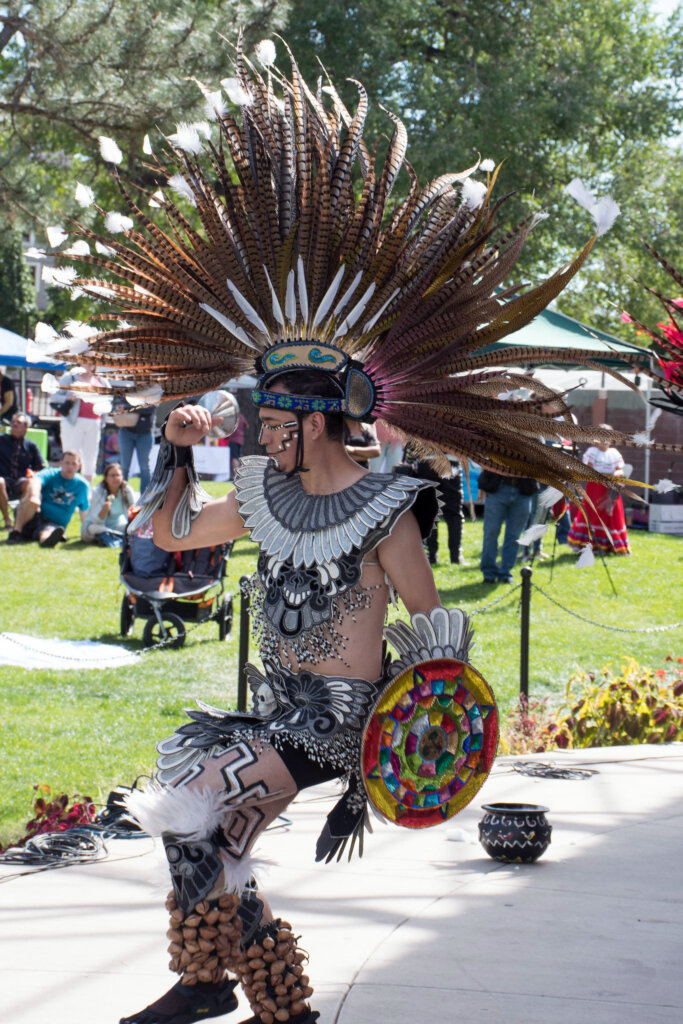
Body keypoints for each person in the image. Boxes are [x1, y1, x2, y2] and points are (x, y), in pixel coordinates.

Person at [53, 45, 667, 1024]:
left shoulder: (387, 508)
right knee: (185, 788)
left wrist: (421, 739)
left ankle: (211, 983)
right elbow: (165, 541)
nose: (259, 435)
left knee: (208, 809)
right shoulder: (257, 493)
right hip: (273, 709)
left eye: (274, 422)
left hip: (340, 725)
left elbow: (432, 634)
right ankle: (262, 997)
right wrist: (173, 454)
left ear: (316, 420)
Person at [567, 425, 630, 554]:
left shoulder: (614, 454)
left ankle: (611, 545)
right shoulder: (592, 452)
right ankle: (590, 544)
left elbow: (620, 469)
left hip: (610, 488)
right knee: (593, 514)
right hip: (595, 488)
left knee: (611, 515)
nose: (604, 441)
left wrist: (618, 474)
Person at [9, 450, 89, 547]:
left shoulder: (82, 486)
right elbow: (36, 481)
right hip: (34, 514)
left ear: (79, 466)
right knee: (32, 501)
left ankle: (47, 541)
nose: (70, 467)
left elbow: (84, 510)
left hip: (54, 523)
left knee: (48, 531)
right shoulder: (50, 473)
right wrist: (34, 495)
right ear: (61, 463)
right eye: (67, 463)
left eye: (73, 464)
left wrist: (86, 532)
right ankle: (16, 532)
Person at [478, 469, 538, 583]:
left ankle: (505, 573)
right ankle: (489, 573)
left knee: (515, 536)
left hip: (523, 491)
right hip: (497, 488)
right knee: (491, 532)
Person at [56, 364, 104, 483]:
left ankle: (86, 492)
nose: (89, 363)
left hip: (95, 422)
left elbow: (109, 400)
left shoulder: (101, 380)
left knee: (90, 459)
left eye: (93, 360)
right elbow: (55, 397)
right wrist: (69, 397)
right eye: (86, 359)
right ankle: (65, 486)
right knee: (70, 456)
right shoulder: (70, 377)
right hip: (73, 422)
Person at [0, 412, 45, 528]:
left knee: (30, 483)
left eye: (18, 423)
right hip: (3, 479)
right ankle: (7, 520)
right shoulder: (1, 440)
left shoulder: (31, 446)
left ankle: (21, 519)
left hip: (20, 481)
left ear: (26, 427)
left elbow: (40, 468)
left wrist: (34, 475)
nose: (14, 424)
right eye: (13, 422)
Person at [81, 461, 135, 547]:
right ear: (106, 478)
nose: (116, 478)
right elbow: (96, 521)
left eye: (118, 475)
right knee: (93, 528)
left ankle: (110, 537)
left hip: (117, 525)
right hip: (97, 526)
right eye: (112, 475)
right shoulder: (98, 491)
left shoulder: (127, 490)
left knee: (131, 529)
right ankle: (115, 537)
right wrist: (104, 510)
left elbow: (133, 511)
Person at [113, 397, 155, 495]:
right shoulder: (128, 393)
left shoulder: (151, 394)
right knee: (124, 466)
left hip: (145, 433)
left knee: (144, 467)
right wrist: (136, 408)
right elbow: (117, 406)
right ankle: (121, 494)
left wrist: (128, 408)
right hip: (126, 432)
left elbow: (150, 408)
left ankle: (144, 496)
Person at [228, 410, 248, 479]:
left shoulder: (232, 417)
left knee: (234, 458)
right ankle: (239, 474)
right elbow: (247, 425)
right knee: (238, 457)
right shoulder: (241, 416)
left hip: (233, 439)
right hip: (240, 440)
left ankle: (236, 475)